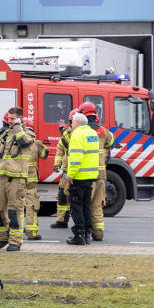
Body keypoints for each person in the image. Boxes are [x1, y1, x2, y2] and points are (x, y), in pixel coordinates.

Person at [0, 107, 35, 251]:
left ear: (20, 119)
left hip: (17, 179)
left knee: (14, 211)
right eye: (8, 119)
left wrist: (17, 127)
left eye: (12, 119)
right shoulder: (6, 134)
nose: (9, 121)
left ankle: (15, 241)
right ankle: (3, 238)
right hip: (2, 177)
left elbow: (24, 143)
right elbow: (3, 153)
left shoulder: (27, 133)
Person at [78, 102, 115, 242]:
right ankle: (98, 233)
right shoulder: (103, 131)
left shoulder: (83, 131)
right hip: (101, 173)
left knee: (85, 204)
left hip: (87, 173)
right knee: (97, 204)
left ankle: (85, 233)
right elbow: (111, 142)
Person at [66, 113, 100, 245]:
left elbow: (76, 157)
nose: (71, 125)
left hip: (79, 175)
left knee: (76, 206)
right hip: (90, 175)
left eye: (73, 123)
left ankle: (78, 235)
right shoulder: (92, 133)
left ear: (78, 123)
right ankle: (87, 234)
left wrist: (70, 175)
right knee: (86, 206)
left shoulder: (77, 134)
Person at [22, 118, 49, 241]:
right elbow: (45, 155)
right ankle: (32, 233)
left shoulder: (16, 140)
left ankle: (14, 231)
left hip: (17, 178)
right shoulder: (35, 142)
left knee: (15, 204)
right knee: (31, 205)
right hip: (31, 180)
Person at [50, 114, 74, 229]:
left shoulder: (79, 134)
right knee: (62, 196)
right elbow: (60, 152)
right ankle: (61, 221)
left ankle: (83, 224)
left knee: (78, 198)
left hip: (78, 173)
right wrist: (57, 164)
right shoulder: (65, 135)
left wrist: (63, 131)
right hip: (66, 173)